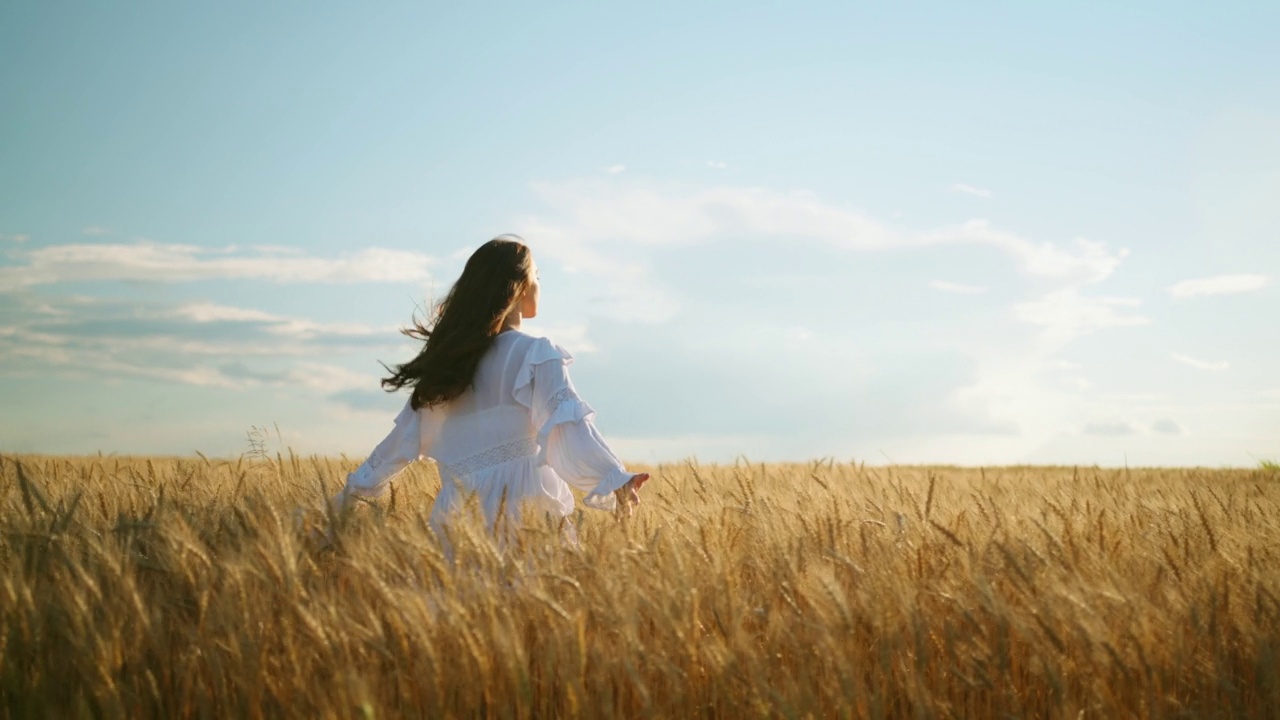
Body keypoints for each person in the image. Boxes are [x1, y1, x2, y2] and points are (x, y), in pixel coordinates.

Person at [330, 235, 649, 540]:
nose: (539, 284)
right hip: (527, 514)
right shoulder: (536, 354)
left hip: (458, 521)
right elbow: (569, 426)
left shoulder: (445, 369)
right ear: (521, 287)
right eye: (537, 276)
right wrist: (613, 478)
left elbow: (393, 449)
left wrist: (341, 506)